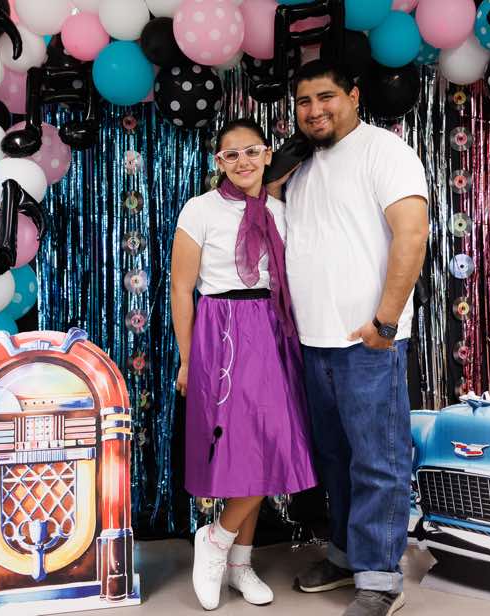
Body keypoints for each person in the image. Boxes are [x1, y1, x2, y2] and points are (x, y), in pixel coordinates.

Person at [270, 60, 429, 616]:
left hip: (369, 342)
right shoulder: (302, 168)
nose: (314, 110)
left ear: (354, 96)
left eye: (326, 97)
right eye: (304, 102)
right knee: (334, 460)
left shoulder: (385, 152)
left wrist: (385, 322)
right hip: (314, 342)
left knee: (378, 462)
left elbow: (412, 234)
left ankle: (382, 580)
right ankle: (345, 557)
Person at [170, 118, 317, 611]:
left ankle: (236, 558)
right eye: (231, 154)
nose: (243, 162)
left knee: (269, 443)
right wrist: (187, 359)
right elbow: (181, 289)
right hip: (224, 329)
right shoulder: (200, 209)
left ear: (267, 154)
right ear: (219, 162)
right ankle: (217, 542)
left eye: (251, 151)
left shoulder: (280, 211)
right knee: (242, 447)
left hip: (272, 329)